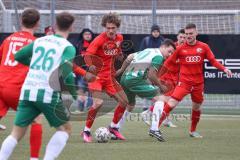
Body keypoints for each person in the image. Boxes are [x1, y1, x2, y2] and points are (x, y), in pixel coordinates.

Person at [0, 11, 94, 160]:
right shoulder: (68, 47)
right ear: (71, 27)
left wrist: (34, 67)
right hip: (46, 93)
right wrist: (75, 95)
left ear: (55, 25)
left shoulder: (40, 41)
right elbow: (67, 73)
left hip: (27, 91)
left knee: (16, 133)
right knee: (65, 130)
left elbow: (18, 56)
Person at [156, 23, 232, 141]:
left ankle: (193, 131)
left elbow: (213, 61)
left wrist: (224, 69)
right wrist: (158, 76)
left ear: (196, 33)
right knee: (171, 103)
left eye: (191, 34)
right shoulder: (180, 48)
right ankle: (155, 128)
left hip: (198, 84)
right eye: (186, 34)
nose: (188, 36)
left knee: (196, 107)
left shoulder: (204, 47)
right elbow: (168, 62)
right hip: (184, 82)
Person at [0, 8, 43, 160]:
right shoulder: (35, 43)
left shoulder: (8, 39)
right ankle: (34, 158)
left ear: (21, 21)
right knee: (36, 118)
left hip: (1, 85)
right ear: (37, 23)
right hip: (17, 87)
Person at [114, 39, 176, 141]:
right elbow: (152, 75)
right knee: (161, 99)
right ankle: (154, 129)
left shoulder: (148, 50)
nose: (169, 55)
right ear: (164, 46)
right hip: (135, 80)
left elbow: (129, 57)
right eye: (169, 51)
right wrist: (161, 86)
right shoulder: (159, 56)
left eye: (171, 53)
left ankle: (115, 129)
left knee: (130, 105)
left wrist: (121, 69)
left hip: (125, 78)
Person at [82, 12, 129, 143]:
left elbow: (117, 51)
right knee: (98, 103)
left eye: (113, 28)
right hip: (96, 77)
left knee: (124, 102)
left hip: (109, 78)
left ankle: (113, 128)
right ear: (104, 27)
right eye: (108, 28)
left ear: (117, 27)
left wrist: (120, 56)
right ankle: (86, 131)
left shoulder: (119, 38)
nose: (110, 30)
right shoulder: (99, 40)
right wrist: (90, 65)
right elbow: (87, 55)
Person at [73, 28, 94, 112]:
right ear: (82, 35)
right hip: (81, 72)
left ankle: (90, 107)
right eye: (86, 34)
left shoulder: (94, 44)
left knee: (91, 90)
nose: (87, 36)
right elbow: (74, 59)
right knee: (81, 89)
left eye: (89, 34)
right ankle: (80, 107)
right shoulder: (78, 45)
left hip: (92, 72)